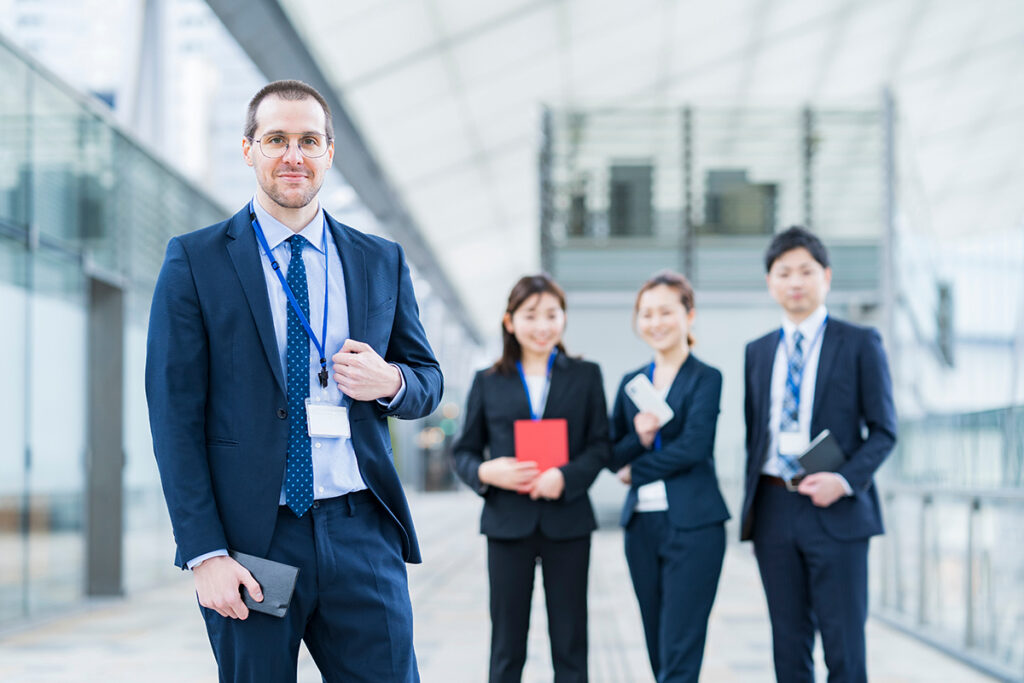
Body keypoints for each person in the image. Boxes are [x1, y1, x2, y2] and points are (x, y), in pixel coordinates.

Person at [145, 79, 442, 682]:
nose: (293, 155)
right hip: (254, 541)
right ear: (249, 148)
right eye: (277, 139)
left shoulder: (378, 259)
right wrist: (205, 554)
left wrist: (389, 381)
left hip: (361, 532)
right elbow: (173, 417)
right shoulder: (196, 260)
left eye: (309, 140)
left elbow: (427, 381)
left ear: (329, 152)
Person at [741, 226, 897, 683]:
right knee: (788, 646)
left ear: (825, 276)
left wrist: (843, 480)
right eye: (783, 272)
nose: (795, 281)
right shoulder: (758, 351)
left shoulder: (859, 342)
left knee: (844, 645)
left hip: (837, 509)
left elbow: (884, 431)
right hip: (773, 507)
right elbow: (757, 435)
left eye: (805, 271)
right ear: (770, 282)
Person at [451, 274, 610, 683]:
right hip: (508, 524)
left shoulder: (586, 374)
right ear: (510, 321)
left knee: (571, 640)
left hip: (568, 521)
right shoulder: (488, 381)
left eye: (552, 315)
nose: (543, 326)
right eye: (531, 315)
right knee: (506, 643)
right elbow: (464, 451)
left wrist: (567, 477)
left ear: (564, 318)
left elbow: (600, 445)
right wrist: (487, 472)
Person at [608, 271, 729, 683]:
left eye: (666, 311)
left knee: (681, 645)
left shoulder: (705, 378)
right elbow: (612, 451)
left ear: (688, 315)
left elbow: (695, 447)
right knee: (657, 643)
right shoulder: (631, 383)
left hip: (694, 525)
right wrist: (639, 438)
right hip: (642, 526)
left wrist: (634, 470)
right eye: (646, 313)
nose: (655, 322)